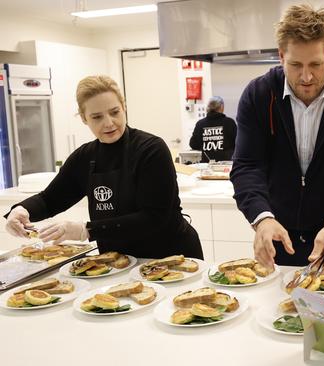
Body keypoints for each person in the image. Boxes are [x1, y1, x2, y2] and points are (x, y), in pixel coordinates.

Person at [230, 4, 324, 272]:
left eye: (316, 64)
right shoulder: (258, 95)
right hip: (278, 235)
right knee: (275, 312)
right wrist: (261, 218)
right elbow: (247, 166)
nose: (306, 77)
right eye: (295, 65)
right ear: (280, 57)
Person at [4, 75, 203, 259]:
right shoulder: (84, 156)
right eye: (97, 117)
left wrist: (87, 230)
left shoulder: (151, 149)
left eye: (114, 112)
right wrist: (22, 210)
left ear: (124, 107)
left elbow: (154, 217)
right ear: (84, 118)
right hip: (117, 261)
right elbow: (50, 199)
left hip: (171, 256)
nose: (108, 123)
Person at [189, 96, 237, 163]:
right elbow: (238, 143)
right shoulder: (229, 123)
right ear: (222, 107)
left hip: (207, 165)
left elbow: (193, 144)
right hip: (226, 165)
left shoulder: (200, 124)